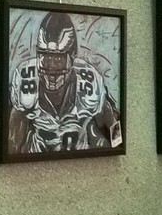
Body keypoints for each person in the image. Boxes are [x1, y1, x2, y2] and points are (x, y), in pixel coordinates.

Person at [8, 12, 121, 153]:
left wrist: (119, 149)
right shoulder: (26, 81)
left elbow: (114, 132)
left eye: (58, 58)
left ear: (72, 56)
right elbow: (12, 142)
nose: (51, 66)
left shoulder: (89, 83)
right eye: (46, 56)